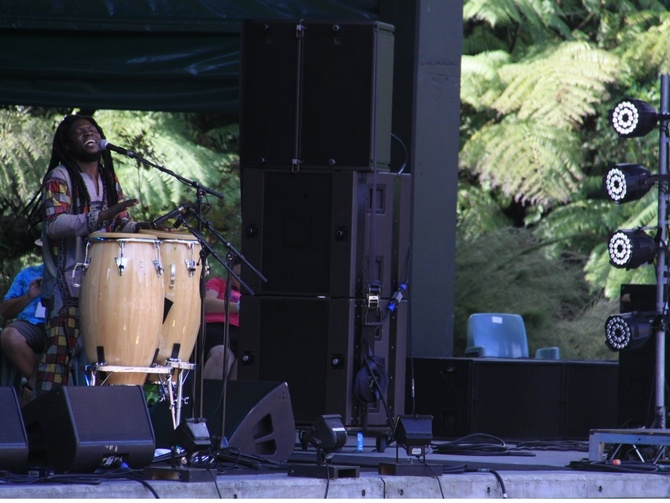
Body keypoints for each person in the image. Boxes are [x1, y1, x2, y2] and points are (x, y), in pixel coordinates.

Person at [36, 114, 151, 395]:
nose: (88, 134)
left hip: (105, 285)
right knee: (59, 357)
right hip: (68, 285)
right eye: (79, 132)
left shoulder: (108, 178)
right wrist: (100, 216)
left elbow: (119, 222)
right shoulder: (59, 177)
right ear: (67, 142)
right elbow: (54, 224)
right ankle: (45, 419)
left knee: (104, 357)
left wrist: (141, 227)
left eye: (92, 129)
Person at [0, 260, 46, 387]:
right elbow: (5, 311)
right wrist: (29, 296)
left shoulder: (78, 272)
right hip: (31, 325)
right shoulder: (28, 273)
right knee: (10, 335)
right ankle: (36, 385)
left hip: (65, 325)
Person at [203, 261, 241, 380]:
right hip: (217, 328)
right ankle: (207, 397)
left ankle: (232, 398)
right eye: (238, 275)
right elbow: (206, 303)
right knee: (221, 355)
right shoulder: (219, 283)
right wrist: (238, 307)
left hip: (243, 333)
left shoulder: (255, 294)